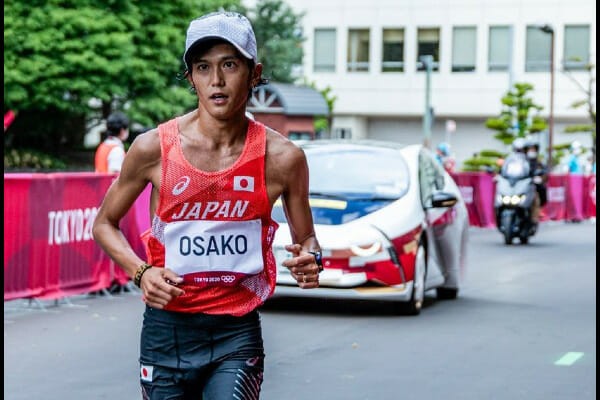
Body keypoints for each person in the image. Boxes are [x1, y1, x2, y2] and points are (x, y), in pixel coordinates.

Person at [92, 11, 322, 400]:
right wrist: (141, 272)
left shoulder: (283, 158)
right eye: (203, 67)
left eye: (229, 65)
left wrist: (310, 261)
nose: (216, 80)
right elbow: (103, 224)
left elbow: (309, 241)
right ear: (191, 77)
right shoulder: (153, 148)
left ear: (253, 72)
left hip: (236, 331)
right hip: (167, 331)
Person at [524, 138, 548, 223]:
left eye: (533, 149)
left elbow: (544, 173)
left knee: (536, 197)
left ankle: (534, 218)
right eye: (530, 149)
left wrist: (540, 178)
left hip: (533, 187)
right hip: (521, 186)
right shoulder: (522, 161)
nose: (531, 151)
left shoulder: (539, 162)